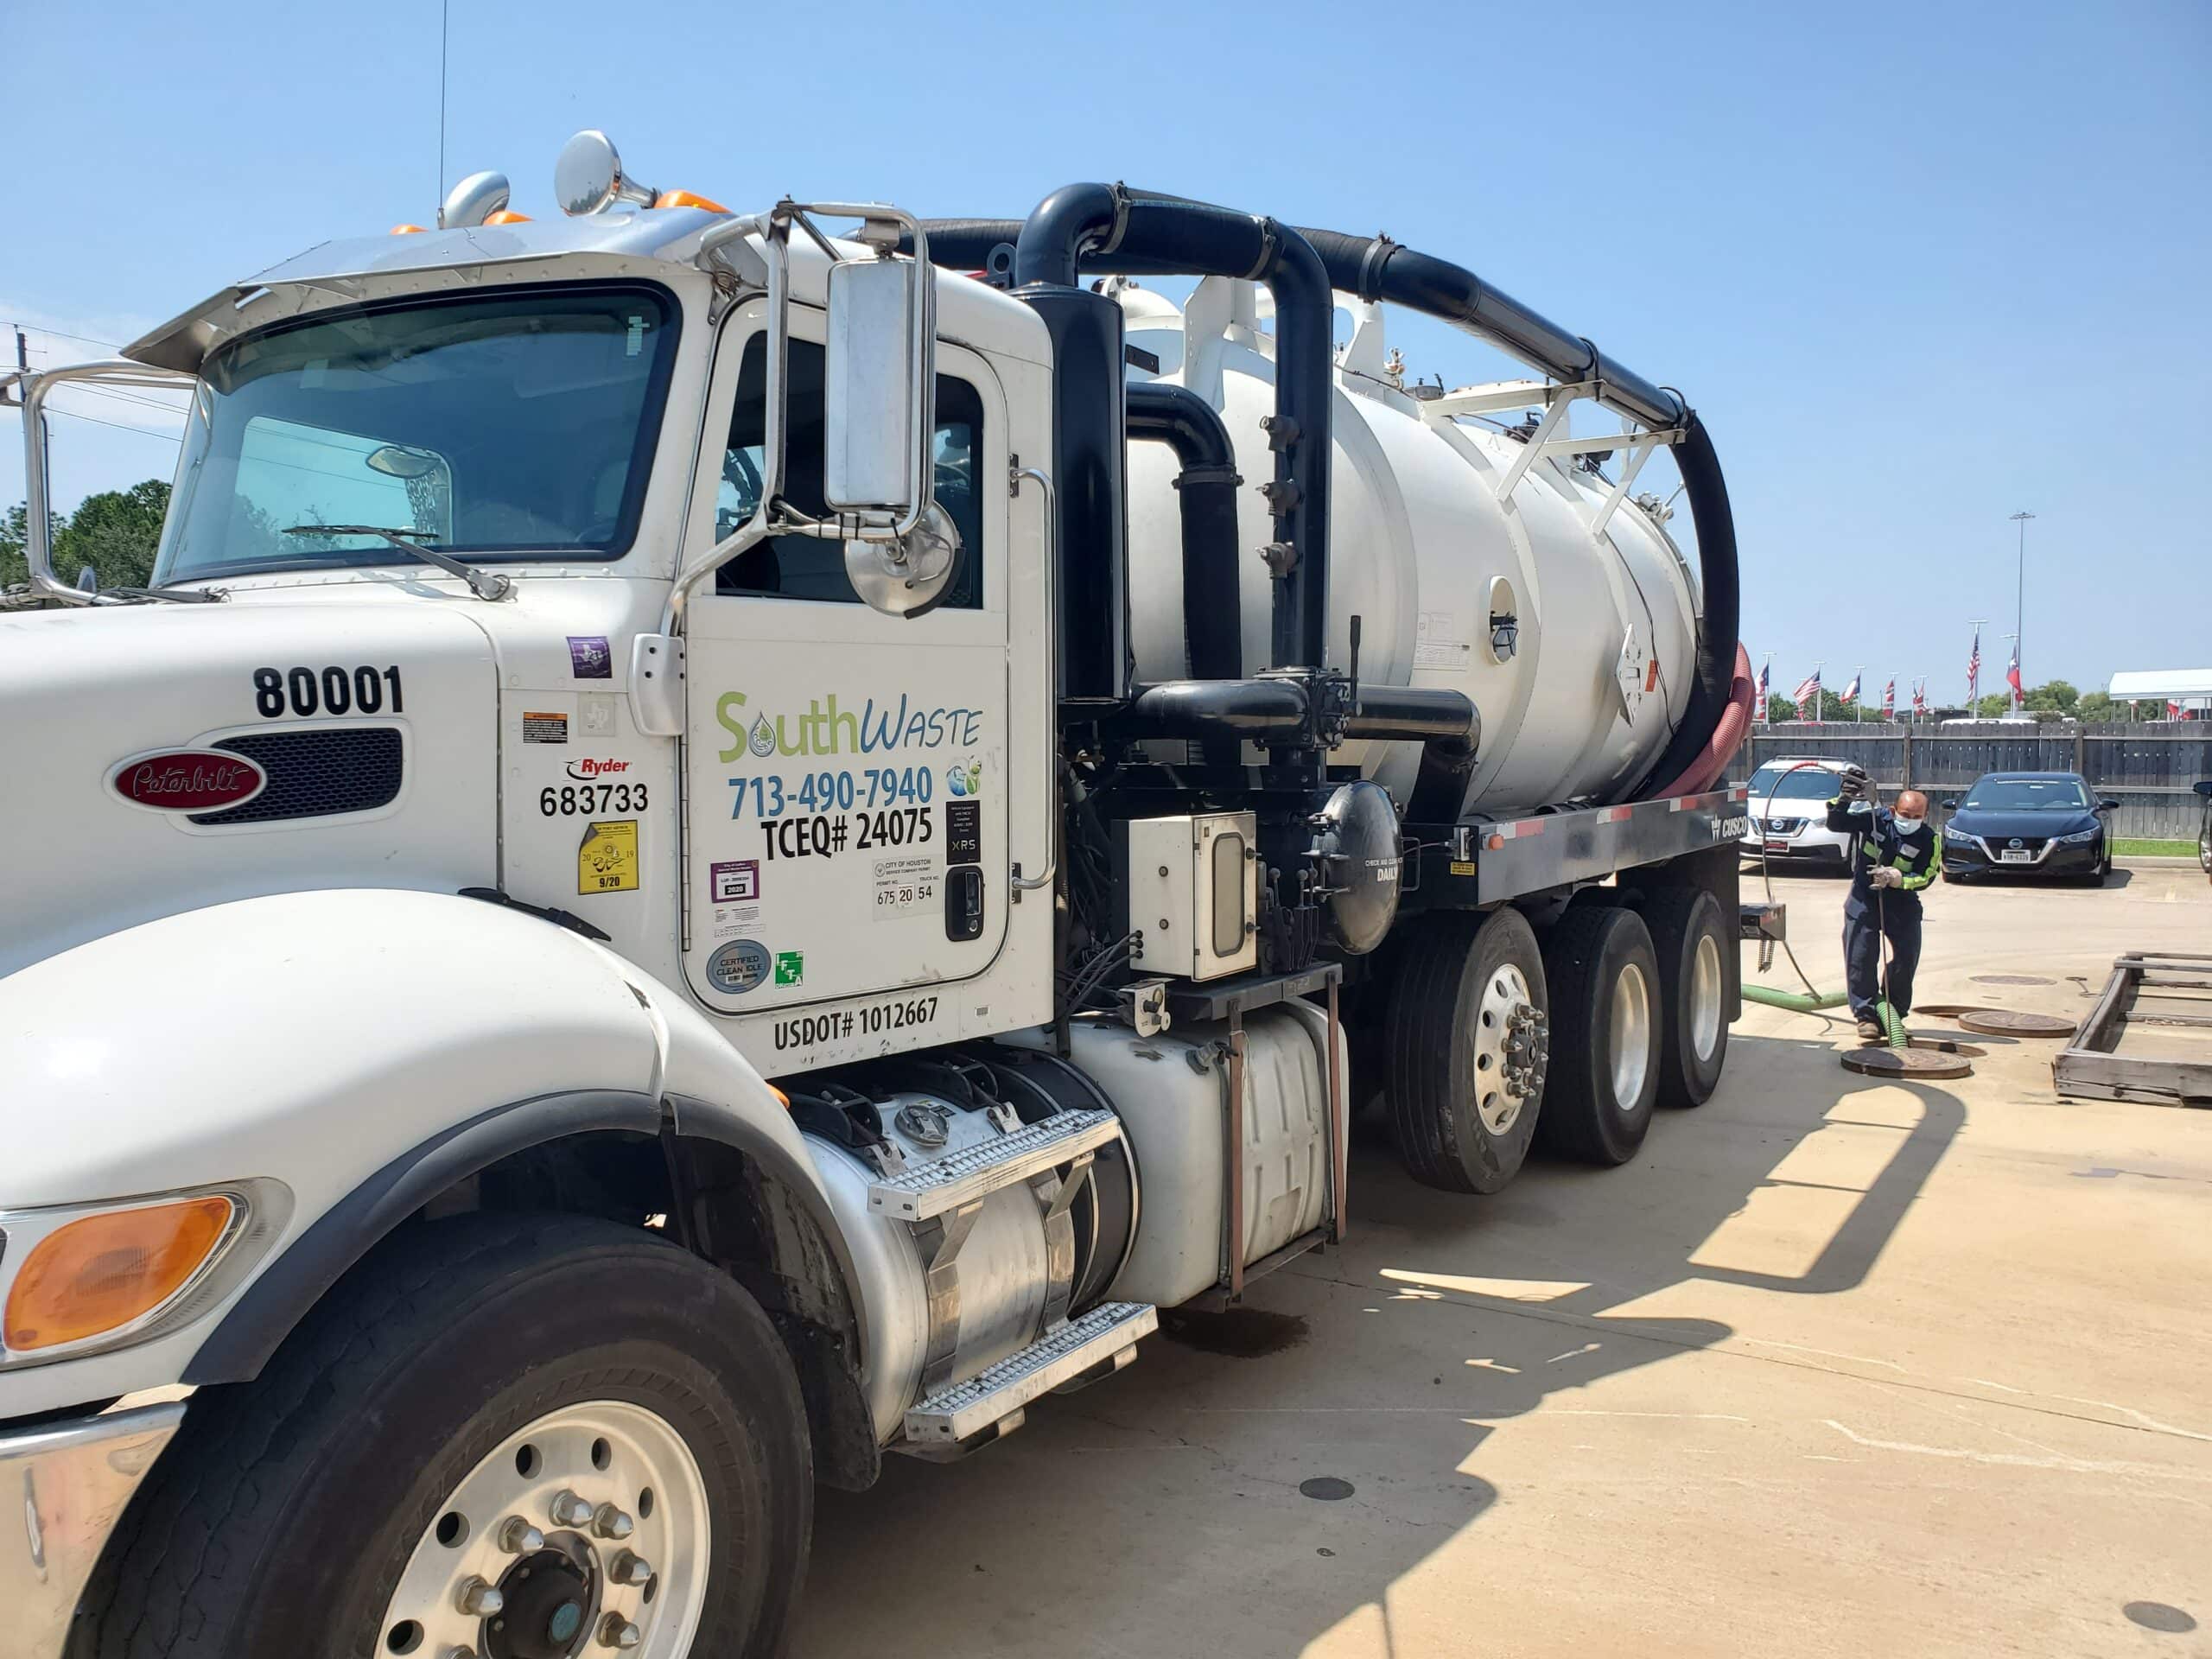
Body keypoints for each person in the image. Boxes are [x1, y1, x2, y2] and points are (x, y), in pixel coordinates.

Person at [1827, 773, 1941, 1040]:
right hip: (1864, 900)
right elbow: (1837, 823)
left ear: (1925, 816)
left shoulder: (1928, 839)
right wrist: (1843, 800)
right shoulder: (1875, 819)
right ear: (1894, 810)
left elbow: (1927, 875)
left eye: (1916, 817)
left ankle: (1894, 1014)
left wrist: (1899, 879)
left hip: (1902, 904)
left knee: (1906, 958)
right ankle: (1866, 1016)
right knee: (1861, 957)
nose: (1909, 821)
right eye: (1904, 815)